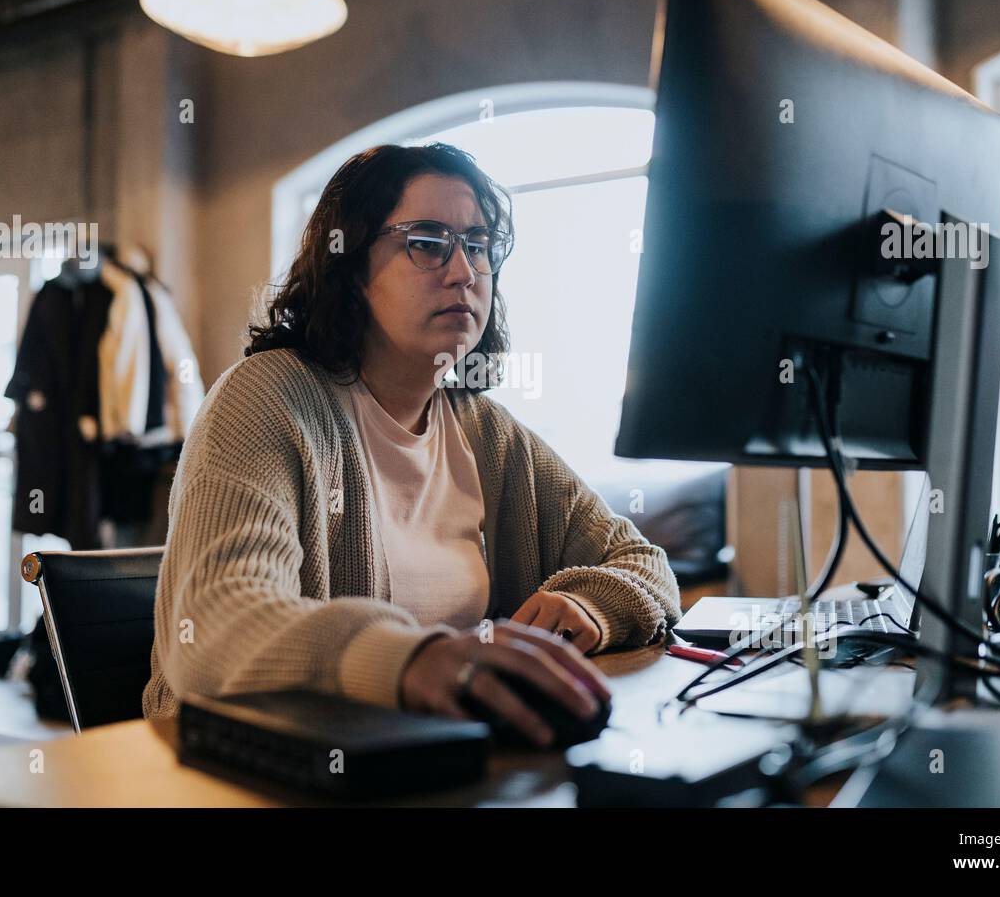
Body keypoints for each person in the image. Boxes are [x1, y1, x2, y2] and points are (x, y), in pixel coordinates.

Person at [142, 142, 681, 747]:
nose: (464, 272)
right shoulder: (266, 399)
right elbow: (212, 630)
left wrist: (593, 608)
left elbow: (645, 565)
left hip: (426, 765)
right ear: (348, 263)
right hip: (244, 773)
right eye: (427, 242)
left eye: (477, 245)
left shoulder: (486, 432)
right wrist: (409, 659)